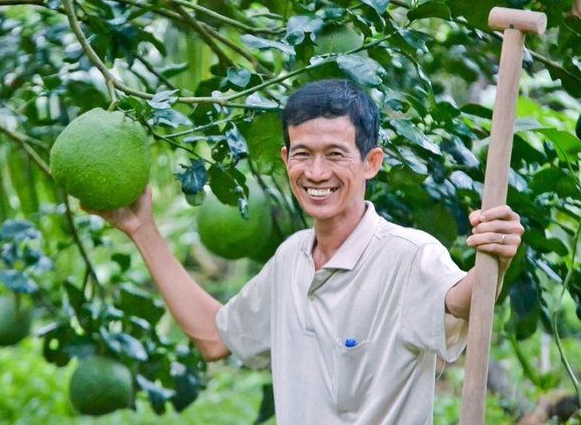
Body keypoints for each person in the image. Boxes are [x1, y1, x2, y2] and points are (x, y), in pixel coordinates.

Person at [92, 79, 524, 424]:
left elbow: (461, 300)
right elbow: (214, 338)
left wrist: (495, 260)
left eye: (335, 154)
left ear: (371, 162)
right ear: (286, 159)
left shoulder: (409, 256)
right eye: (303, 155)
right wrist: (142, 229)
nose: (316, 173)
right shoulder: (291, 259)